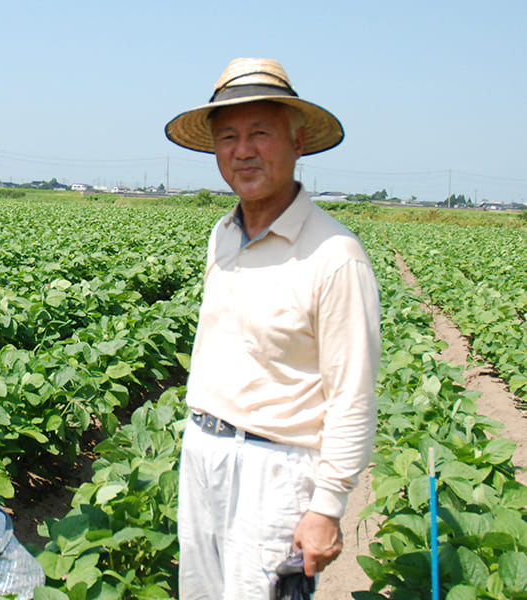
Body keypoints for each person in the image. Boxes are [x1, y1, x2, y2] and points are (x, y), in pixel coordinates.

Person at [164, 57, 381, 599]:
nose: (243, 150)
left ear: (298, 142)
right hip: (204, 453)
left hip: (277, 472)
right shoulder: (223, 235)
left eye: (260, 133)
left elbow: (352, 397)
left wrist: (327, 507)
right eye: (229, 136)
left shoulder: (336, 256)